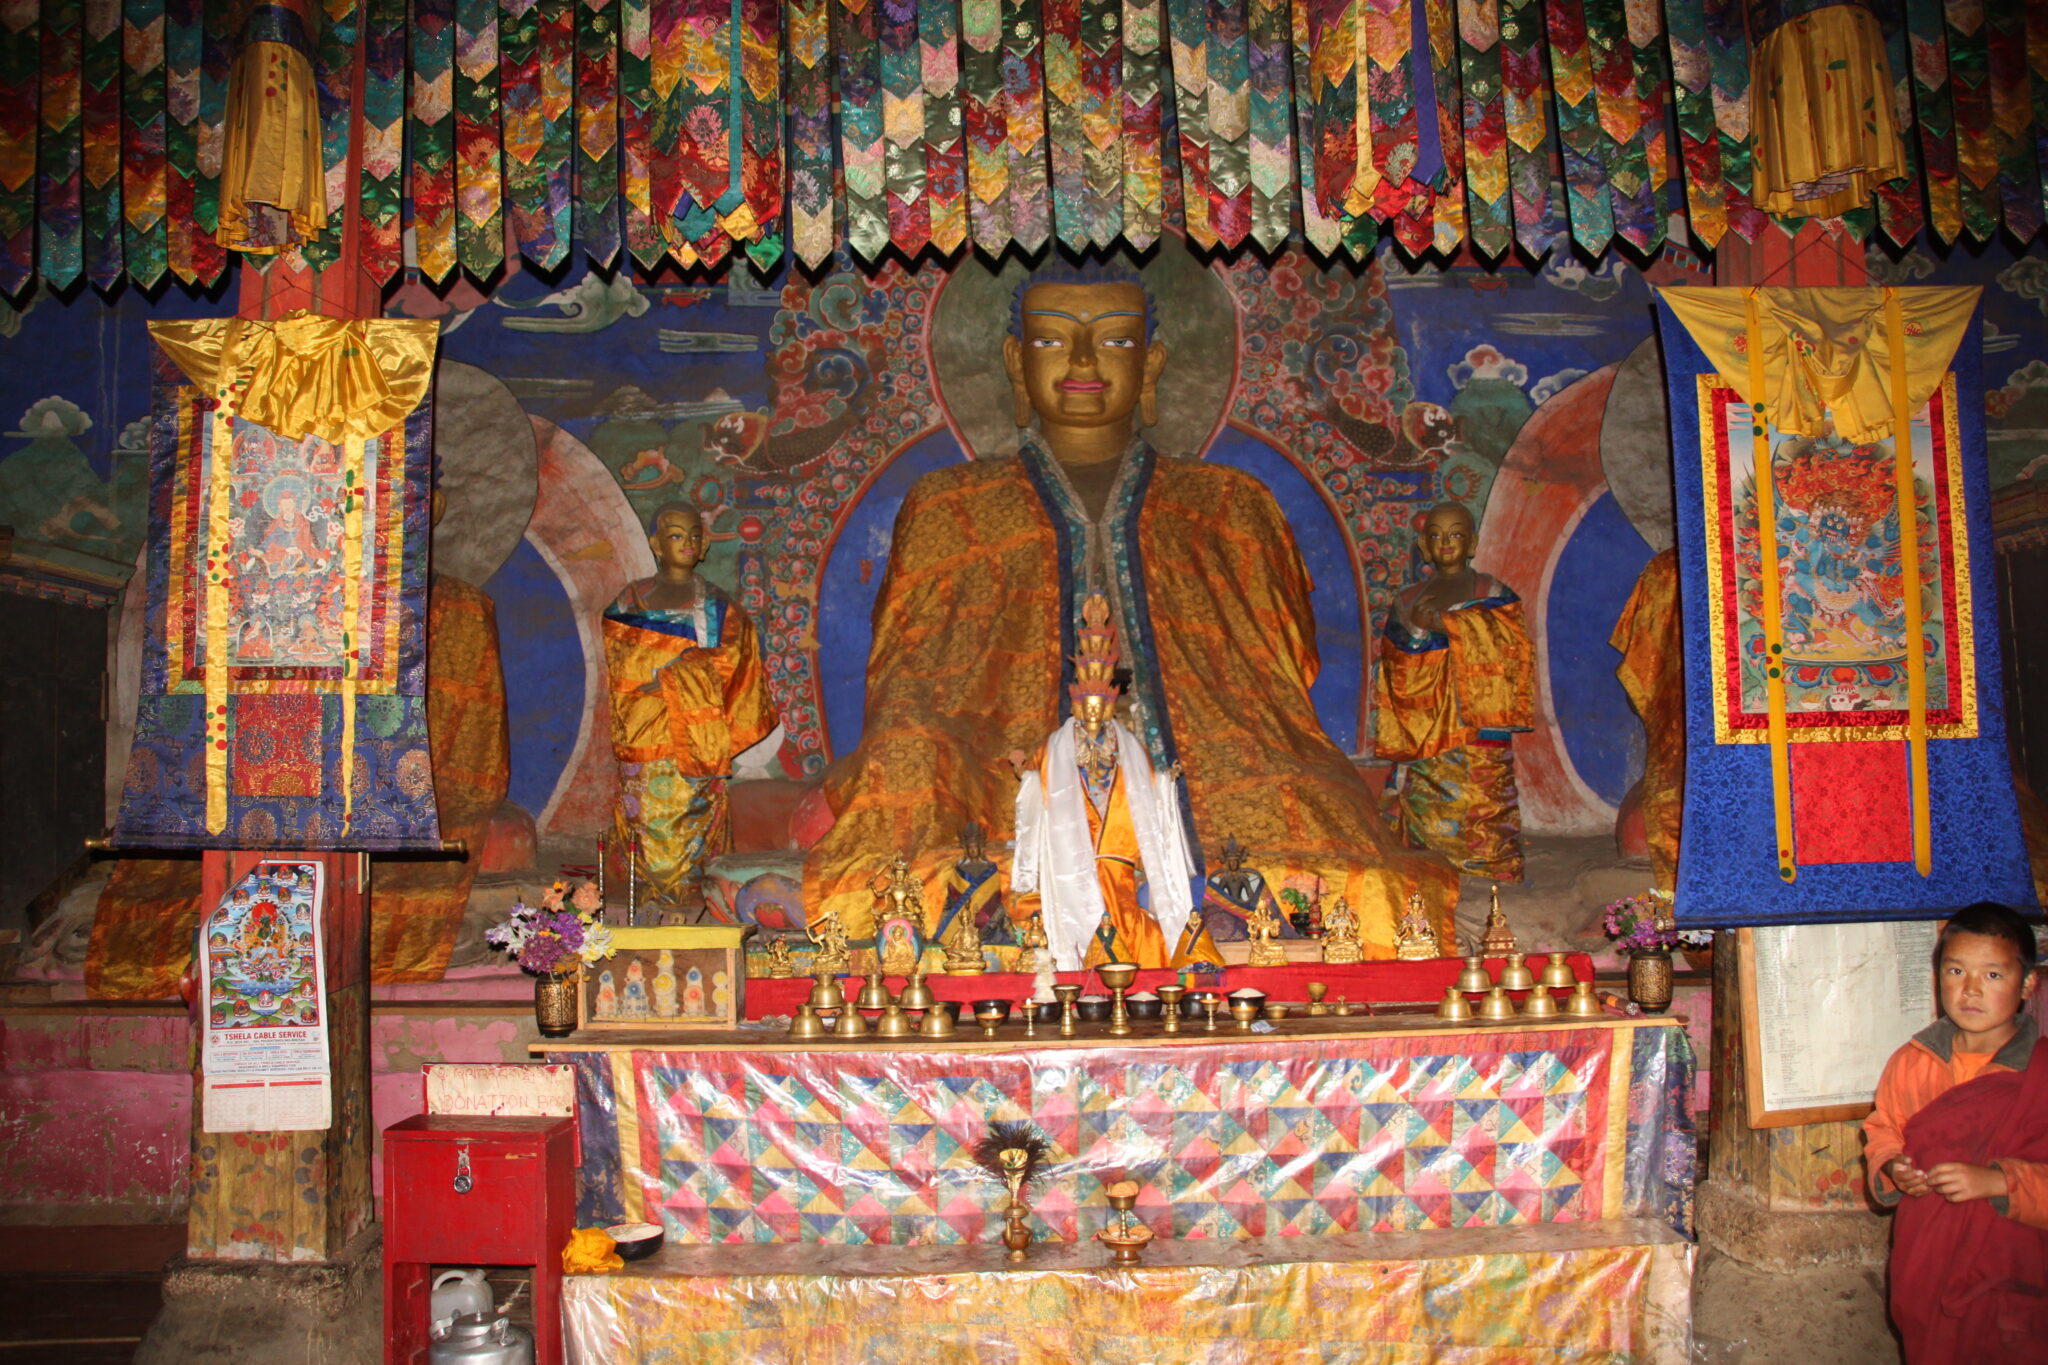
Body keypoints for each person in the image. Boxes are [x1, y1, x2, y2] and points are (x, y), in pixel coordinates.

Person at [802, 266, 1459, 953]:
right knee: (906, 758)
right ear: (1013, 361)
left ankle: (1183, 887)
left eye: (1114, 343)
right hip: (1000, 770)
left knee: (1310, 791)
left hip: (1199, 762)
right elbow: (909, 680)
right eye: (1053, 341)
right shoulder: (947, 504)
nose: (1083, 362)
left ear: (1152, 363)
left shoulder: (1232, 504)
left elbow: (1277, 675)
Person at [1863, 902, 2048, 1362]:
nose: (1970, 990)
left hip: (2012, 1284)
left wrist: (2000, 1181)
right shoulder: (1912, 1061)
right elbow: (1883, 1129)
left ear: (2027, 983)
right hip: (1927, 1263)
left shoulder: (2041, 1072)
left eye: (1992, 976)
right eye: (1956, 970)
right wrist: (1893, 1167)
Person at [1011, 592, 1215, 971]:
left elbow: (1147, 789)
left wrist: (1167, 783)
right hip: (1073, 842)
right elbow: (1036, 786)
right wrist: (1025, 772)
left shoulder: (1127, 743)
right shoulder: (1056, 744)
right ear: (1075, 705)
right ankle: (1077, 964)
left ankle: (1143, 964)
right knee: (1076, 910)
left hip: (1116, 842)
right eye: (1085, 707)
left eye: (1099, 707)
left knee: (1126, 912)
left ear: (1108, 705)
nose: (1092, 715)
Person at [604, 502, 778, 913]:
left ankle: (699, 910)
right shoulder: (630, 601)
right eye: (676, 534)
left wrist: (674, 674)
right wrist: (673, 668)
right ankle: (646, 909)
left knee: (695, 825)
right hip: (646, 734)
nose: (687, 543)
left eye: (695, 535)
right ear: (655, 543)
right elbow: (623, 660)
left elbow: (733, 659)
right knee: (647, 825)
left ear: (704, 547)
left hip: (698, 738)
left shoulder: (717, 605)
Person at [1374, 502, 1535, 881]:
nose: (1446, 543)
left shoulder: (1492, 592)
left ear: (1473, 541)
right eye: (1436, 535)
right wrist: (1417, 628)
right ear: (1424, 546)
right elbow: (1394, 658)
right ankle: (1427, 863)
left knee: (1483, 798)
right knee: (1423, 800)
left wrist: (1447, 624)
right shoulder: (1409, 599)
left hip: (1476, 719)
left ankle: (1489, 864)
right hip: (1426, 721)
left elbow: (1512, 649)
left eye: (1456, 534)